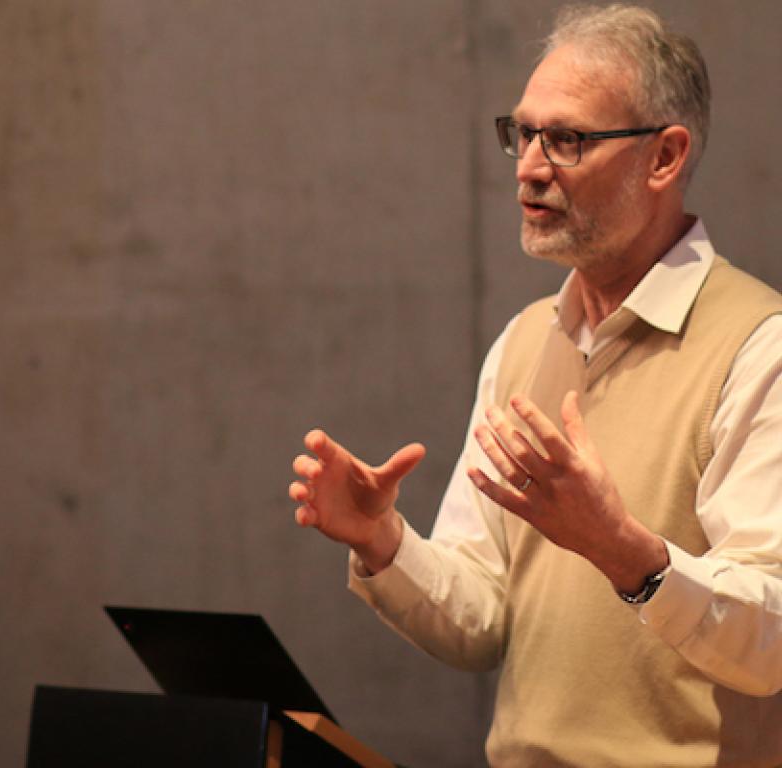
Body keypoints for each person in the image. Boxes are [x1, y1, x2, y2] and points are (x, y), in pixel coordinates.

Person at [289, 4, 782, 765]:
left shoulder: (759, 347)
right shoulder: (526, 342)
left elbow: (772, 640)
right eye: (523, 133)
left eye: (567, 139)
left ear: (664, 157)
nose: (528, 165)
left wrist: (624, 551)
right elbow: (483, 618)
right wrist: (383, 542)